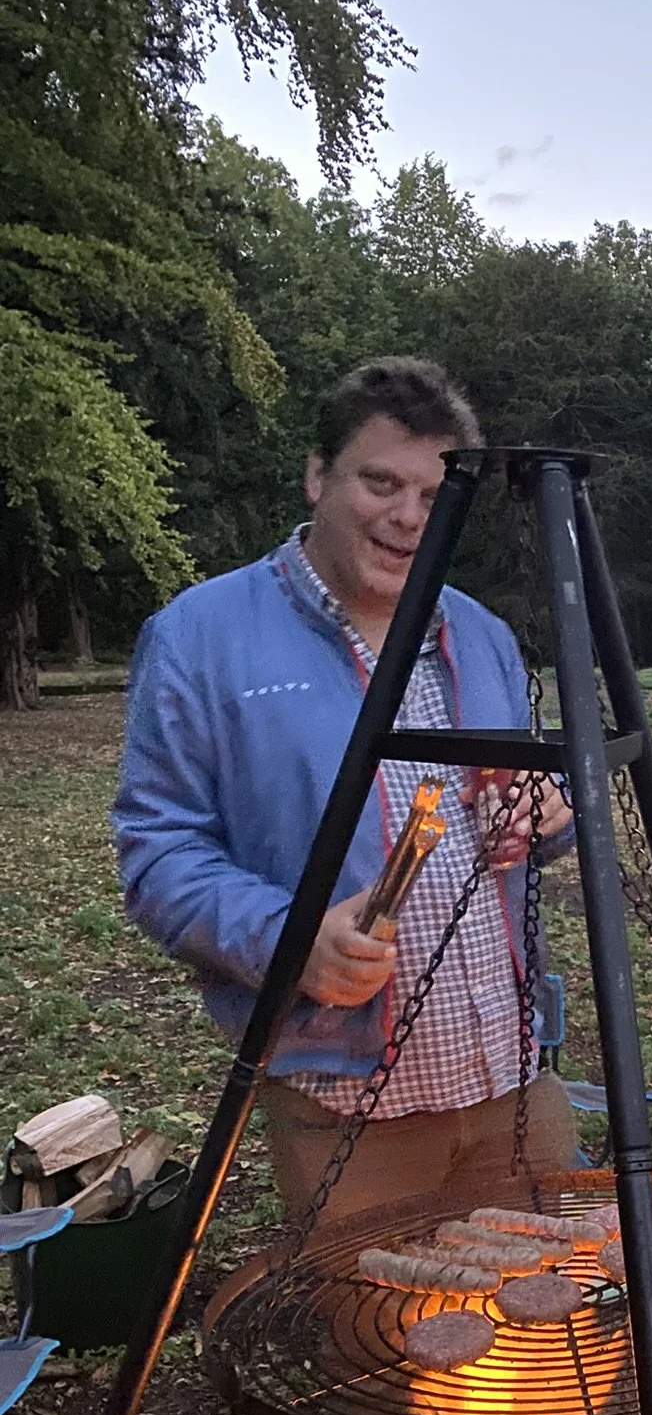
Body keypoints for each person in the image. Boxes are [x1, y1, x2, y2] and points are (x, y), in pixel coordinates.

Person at [114, 356, 579, 1230]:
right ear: (318, 474)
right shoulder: (201, 639)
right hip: (344, 1103)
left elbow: (533, 801)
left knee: (550, 1339)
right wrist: (288, 940)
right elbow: (158, 851)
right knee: (374, 1351)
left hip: (512, 1078)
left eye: (436, 495)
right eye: (381, 482)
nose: (409, 517)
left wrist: (545, 814)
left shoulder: (475, 634)